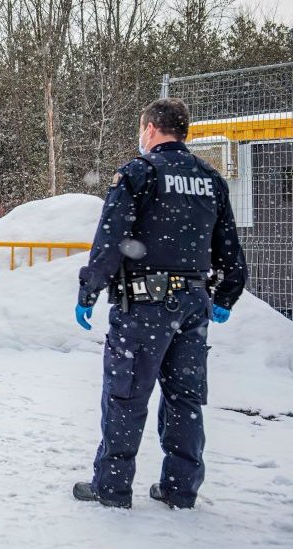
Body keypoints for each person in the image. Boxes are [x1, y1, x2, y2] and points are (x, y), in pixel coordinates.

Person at [72, 98, 248, 509]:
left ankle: (112, 488)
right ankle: (180, 488)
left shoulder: (139, 173)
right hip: (193, 303)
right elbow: (229, 248)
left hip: (144, 306)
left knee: (126, 395)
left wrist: (90, 288)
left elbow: (112, 238)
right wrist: (226, 294)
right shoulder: (210, 178)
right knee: (185, 399)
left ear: (150, 128)